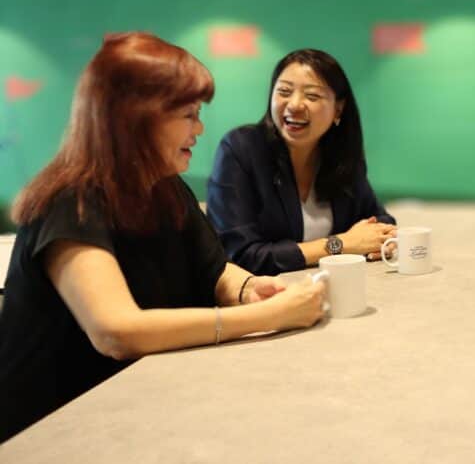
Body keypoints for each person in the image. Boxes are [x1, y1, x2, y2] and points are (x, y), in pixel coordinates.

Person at [0, 33, 325, 443]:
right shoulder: (72, 201)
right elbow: (116, 331)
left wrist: (247, 289)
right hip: (50, 434)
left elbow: (214, 270)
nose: (200, 128)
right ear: (136, 119)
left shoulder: (164, 186)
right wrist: (267, 318)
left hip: (135, 408)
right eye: (188, 115)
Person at [207, 49, 395, 275]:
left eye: (312, 96)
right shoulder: (241, 150)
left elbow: (379, 219)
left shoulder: (341, 157)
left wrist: (383, 240)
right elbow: (239, 254)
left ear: (338, 108)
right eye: (284, 91)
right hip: (263, 300)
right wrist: (339, 245)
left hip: (332, 289)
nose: (294, 105)